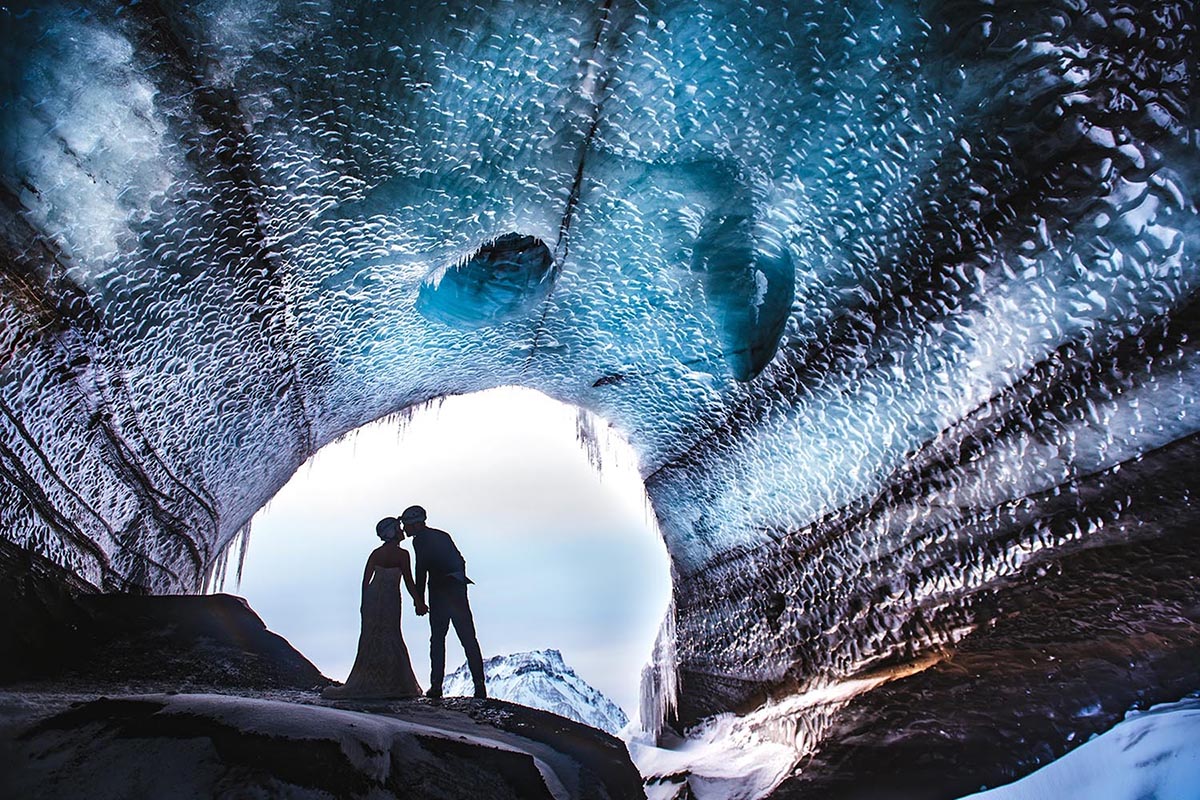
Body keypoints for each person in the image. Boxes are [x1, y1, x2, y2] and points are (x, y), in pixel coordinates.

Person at [322, 517, 426, 699]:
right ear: (392, 533)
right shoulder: (403, 555)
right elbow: (409, 581)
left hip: (373, 597)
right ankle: (392, 681)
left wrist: (364, 604)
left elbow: (365, 581)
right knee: (392, 635)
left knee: (372, 638)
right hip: (391, 598)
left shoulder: (376, 553)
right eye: (398, 528)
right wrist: (418, 601)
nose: (402, 531)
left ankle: (372, 678)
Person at [401, 505, 486, 700]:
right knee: (468, 639)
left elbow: (421, 568)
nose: (405, 529)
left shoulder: (420, 541)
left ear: (415, 524)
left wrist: (419, 600)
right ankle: (479, 686)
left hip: (440, 593)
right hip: (456, 590)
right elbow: (460, 560)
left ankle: (436, 686)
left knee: (438, 640)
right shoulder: (442, 535)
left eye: (406, 525)